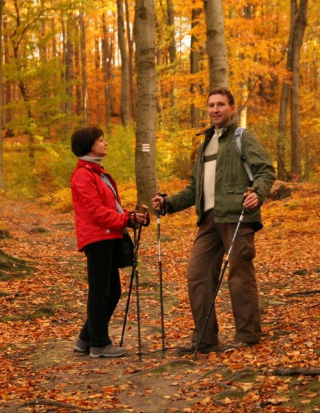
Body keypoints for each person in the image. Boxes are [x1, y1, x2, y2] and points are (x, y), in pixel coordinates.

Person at [152, 88, 276, 355]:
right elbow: (195, 187)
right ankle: (205, 339)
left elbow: (265, 170)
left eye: (221, 104)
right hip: (208, 220)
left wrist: (258, 193)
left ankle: (247, 334)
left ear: (232, 109)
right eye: (211, 105)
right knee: (197, 273)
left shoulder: (242, 137)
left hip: (236, 217)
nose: (215, 109)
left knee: (239, 276)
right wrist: (169, 203)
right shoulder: (205, 143)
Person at [70, 126, 146, 358]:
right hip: (97, 238)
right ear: (89, 145)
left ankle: (85, 339)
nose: (105, 143)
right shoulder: (83, 175)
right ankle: (99, 344)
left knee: (111, 291)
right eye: (101, 140)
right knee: (101, 291)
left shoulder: (96, 172)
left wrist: (129, 218)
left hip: (108, 235)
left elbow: (110, 208)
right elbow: (95, 212)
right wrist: (125, 219)